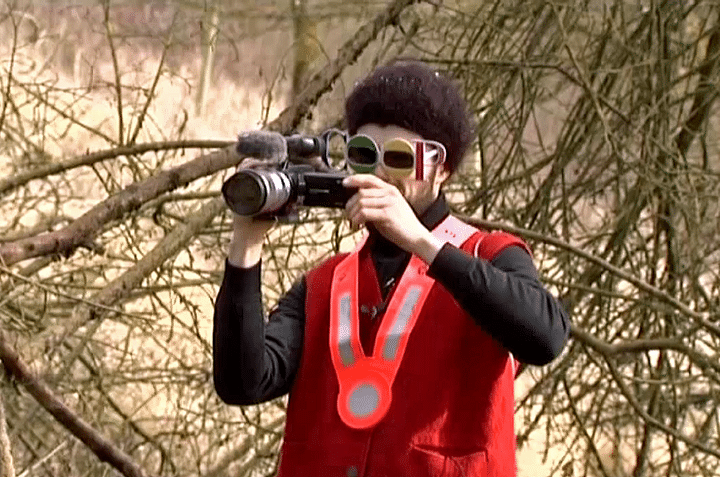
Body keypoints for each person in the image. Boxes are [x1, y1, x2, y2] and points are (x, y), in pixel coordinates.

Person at [213, 61, 570, 476]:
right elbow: (241, 383)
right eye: (364, 154)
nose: (378, 172)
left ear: (443, 169)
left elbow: (545, 337)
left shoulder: (489, 254)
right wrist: (245, 244)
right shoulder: (324, 284)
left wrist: (420, 242)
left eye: (399, 158)